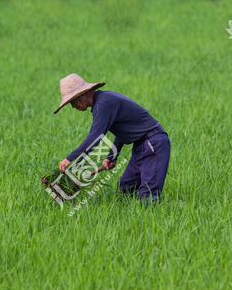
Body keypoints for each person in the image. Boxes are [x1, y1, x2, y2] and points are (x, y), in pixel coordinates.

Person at [54, 73, 171, 203]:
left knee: (148, 196)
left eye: (72, 101)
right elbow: (124, 130)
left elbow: (94, 137)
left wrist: (70, 159)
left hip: (153, 144)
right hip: (142, 146)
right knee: (125, 189)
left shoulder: (103, 104)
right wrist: (112, 156)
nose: (73, 106)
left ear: (81, 95)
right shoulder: (104, 100)